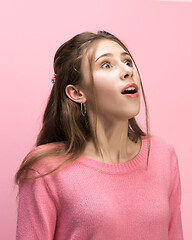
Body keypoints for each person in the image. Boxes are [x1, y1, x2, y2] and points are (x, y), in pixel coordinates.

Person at [15, 31, 184, 240]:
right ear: (77, 93)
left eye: (128, 62)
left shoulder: (162, 154)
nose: (127, 71)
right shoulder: (45, 169)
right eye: (106, 65)